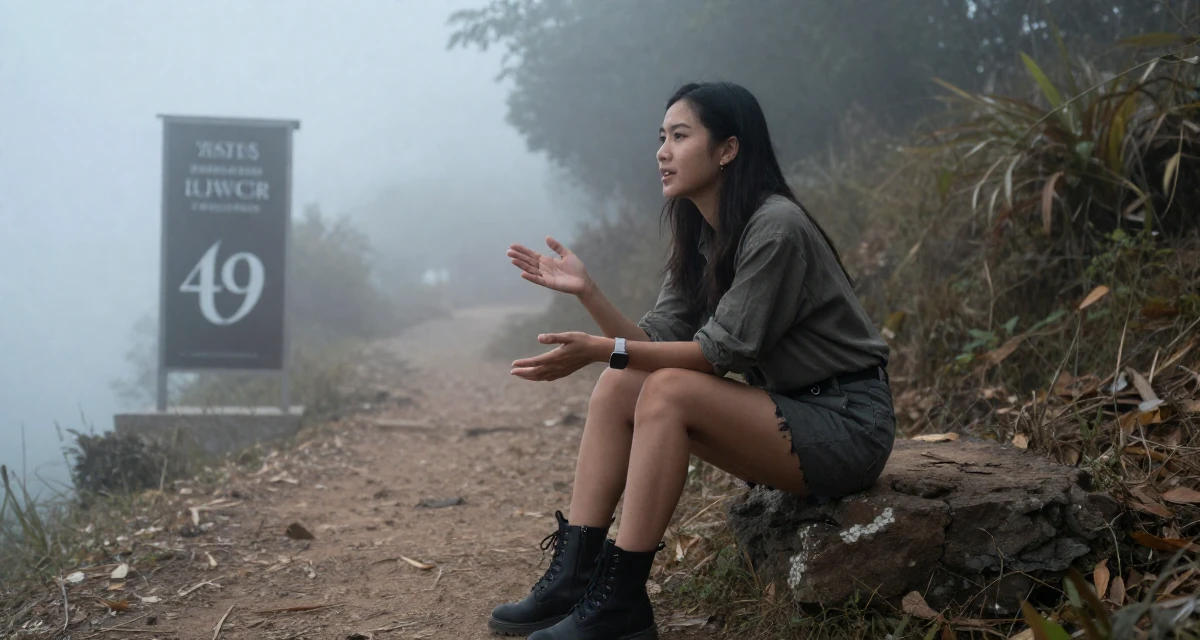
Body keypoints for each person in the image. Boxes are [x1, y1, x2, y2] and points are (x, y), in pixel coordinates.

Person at [487, 81, 895, 640]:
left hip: (847, 424)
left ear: (727, 149)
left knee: (667, 389)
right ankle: (575, 580)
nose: (662, 150)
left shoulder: (776, 228)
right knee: (620, 385)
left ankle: (622, 603)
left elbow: (715, 355)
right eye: (662, 137)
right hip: (785, 413)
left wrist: (602, 350)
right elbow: (649, 342)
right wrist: (589, 293)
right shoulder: (703, 233)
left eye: (680, 136)